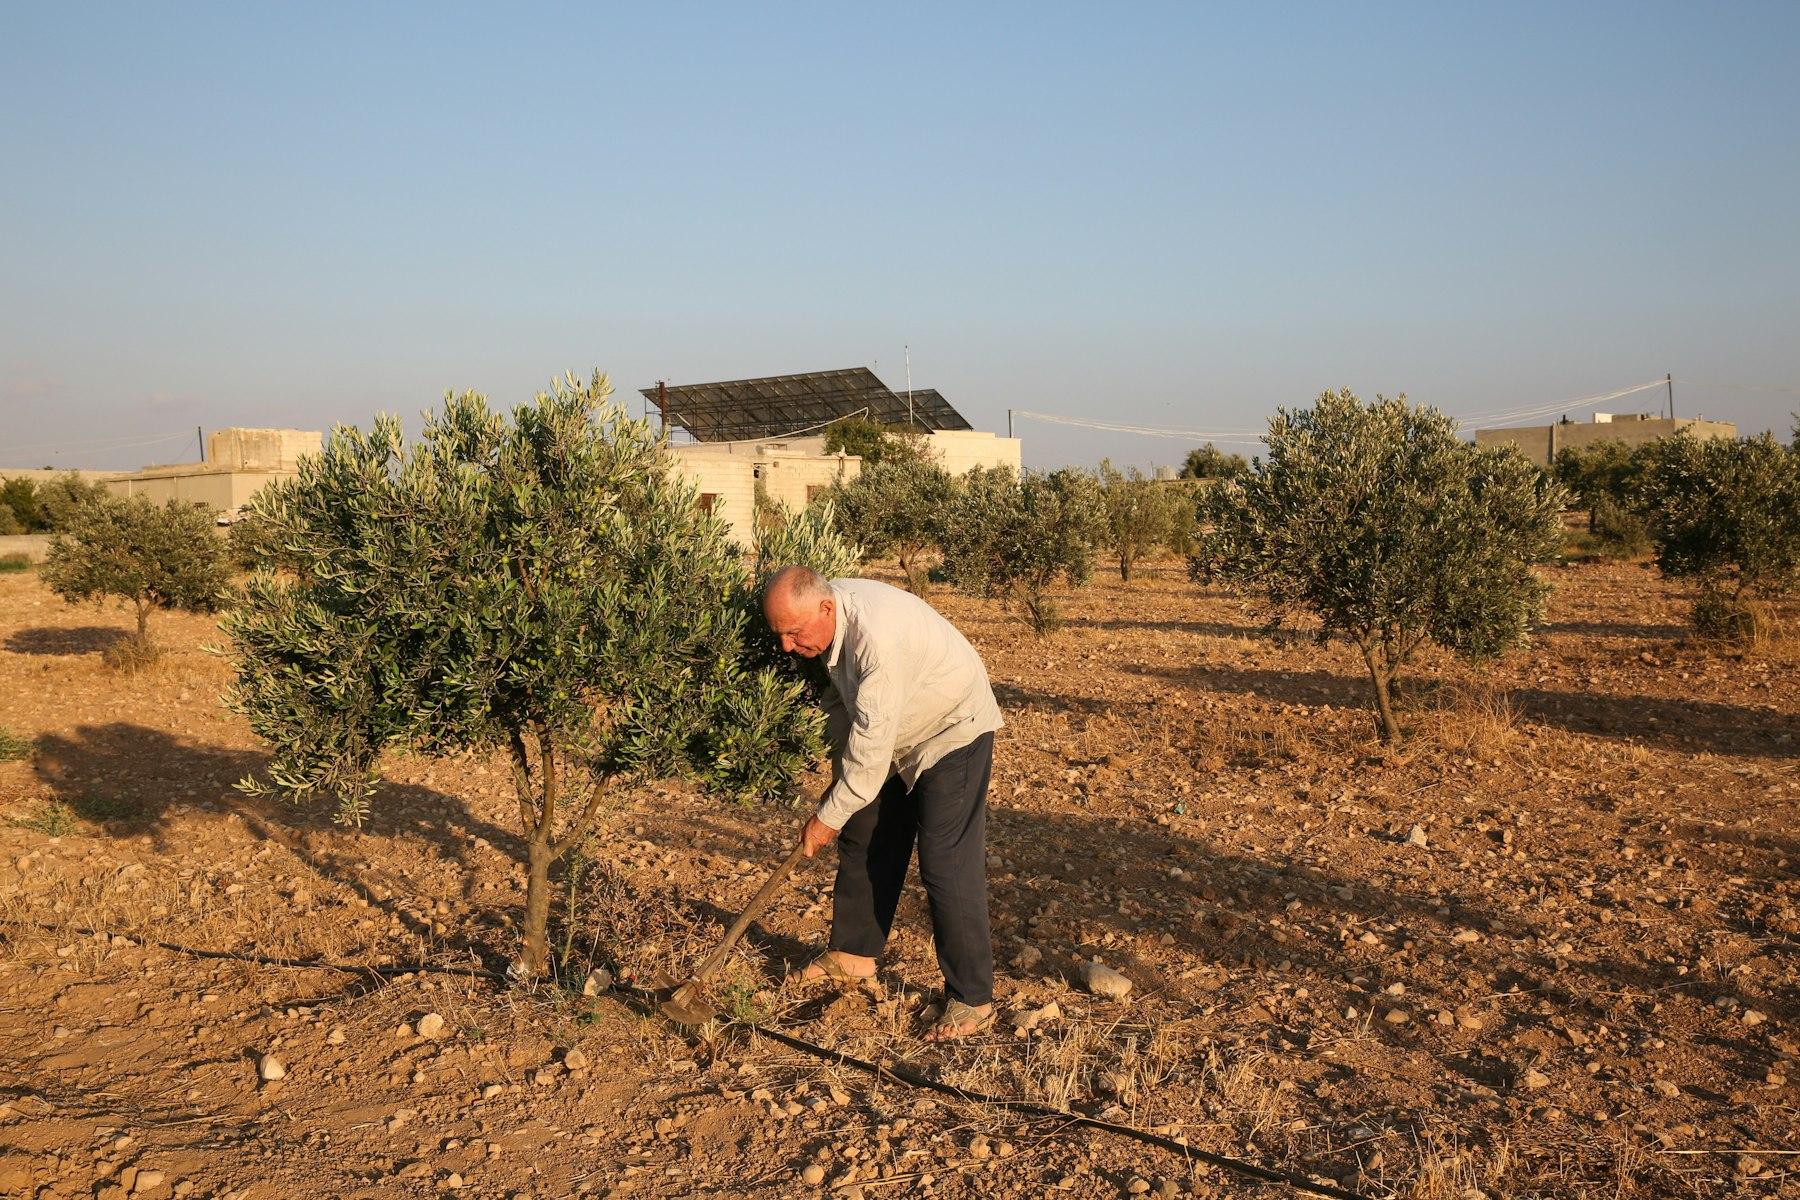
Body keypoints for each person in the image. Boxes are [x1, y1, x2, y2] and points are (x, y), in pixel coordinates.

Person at [762, 565, 1003, 1041]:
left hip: (951, 727)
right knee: (866, 832)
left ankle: (972, 998)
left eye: (793, 633)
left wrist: (824, 818)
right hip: (897, 731)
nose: (788, 646)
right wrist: (839, 793)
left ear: (825, 609)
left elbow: (869, 758)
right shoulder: (829, 618)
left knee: (945, 860)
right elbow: (842, 709)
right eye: (780, 635)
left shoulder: (878, 641)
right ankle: (853, 955)